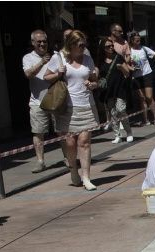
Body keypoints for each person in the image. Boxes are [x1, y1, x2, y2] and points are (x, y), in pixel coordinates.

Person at [44, 29, 99, 190]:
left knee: (84, 142)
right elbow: (46, 77)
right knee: (69, 142)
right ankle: (73, 170)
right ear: (71, 45)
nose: (82, 48)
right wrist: (58, 74)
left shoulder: (87, 59)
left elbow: (94, 79)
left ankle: (86, 177)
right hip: (66, 107)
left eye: (84, 45)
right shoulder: (59, 58)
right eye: (79, 45)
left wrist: (93, 84)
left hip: (86, 105)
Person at [22, 29, 55, 172]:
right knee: (38, 132)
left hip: (56, 100)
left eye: (45, 41)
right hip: (37, 102)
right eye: (39, 42)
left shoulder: (55, 56)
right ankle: (40, 161)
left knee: (62, 131)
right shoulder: (28, 58)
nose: (42, 44)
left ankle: (68, 158)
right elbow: (28, 74)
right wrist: (42, 62)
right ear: (33, 43)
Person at [97, 37, 133, 144]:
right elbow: (98, 75)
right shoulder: (100, 61)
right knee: (113, 113)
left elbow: (127, 73)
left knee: (121, 110)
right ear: (103, 48)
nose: (111, 48)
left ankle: (129, 132)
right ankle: (117, 135)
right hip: (108, 91)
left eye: (112, 45)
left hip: (120, 89)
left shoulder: (118, 58)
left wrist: (121, 68)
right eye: (108, 46)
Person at [127, 32, 155, 126]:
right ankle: (145, 120)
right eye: (136, 40)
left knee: (149, 97)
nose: (138, 41)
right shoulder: (129, 50)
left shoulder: (144, 49)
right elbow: (126, 63)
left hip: (146, 74)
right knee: (142, 98)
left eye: (139, 40)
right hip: (136, 76)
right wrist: (130, 67)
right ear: (132, 41)